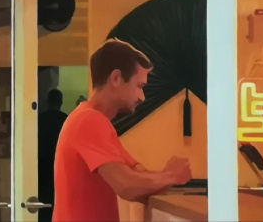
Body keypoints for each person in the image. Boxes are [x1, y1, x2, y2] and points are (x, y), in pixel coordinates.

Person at [53, 39, 192, 222]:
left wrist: (162, 178)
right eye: (139, 86)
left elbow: (137, 173)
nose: (142, 97)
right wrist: (171, 175)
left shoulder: (93, 120)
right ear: (116, 78)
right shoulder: (89, 120)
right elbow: (126, 185)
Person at [38, 89, 68, 222]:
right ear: (60, 102)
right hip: (59, 164)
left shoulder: (40, 119)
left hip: (41, 163)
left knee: (41, 198)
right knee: (57, 197)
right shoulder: (65, 120)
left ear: (48, 102)